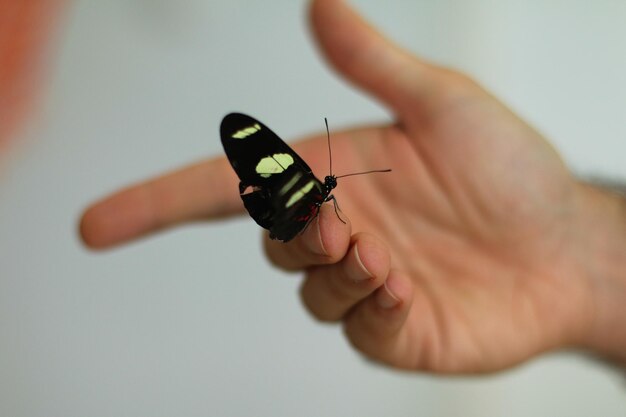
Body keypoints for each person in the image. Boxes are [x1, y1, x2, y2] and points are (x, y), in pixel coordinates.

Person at [79, 0, 626, 373]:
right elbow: (250, 144)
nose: (333, 188)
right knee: (321, 226)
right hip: (287, 209)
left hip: (289, 210)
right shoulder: (316, 187)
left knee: (319, 224)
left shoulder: (319, 192)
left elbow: (321, 202)